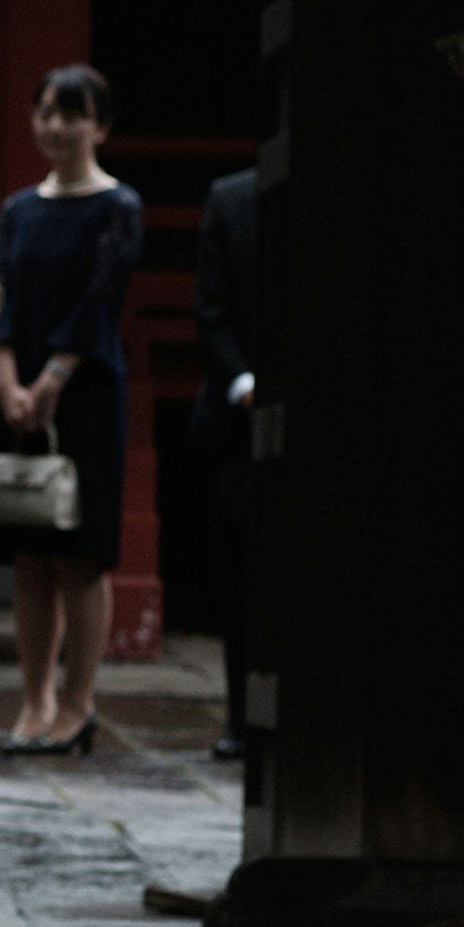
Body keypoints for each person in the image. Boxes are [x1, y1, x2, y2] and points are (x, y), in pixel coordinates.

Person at [0, 59, 143, 759]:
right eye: (45, 111)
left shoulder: (119, 206)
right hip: (17, 389)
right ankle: (33, 699)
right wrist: (5, 379)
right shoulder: (18, 208)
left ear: (99, 126)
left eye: (71, 113)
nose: (55, 126)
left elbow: (101, 297)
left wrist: (51, 378)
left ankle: (78, 702)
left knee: (81, 557)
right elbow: (4, 301)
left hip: (84, 394)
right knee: (27, 554)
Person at [184, 153, 266, 763]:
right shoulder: (230, 198)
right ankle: (241, 718)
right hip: (237, 419)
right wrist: (242, 382)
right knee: (239, 580)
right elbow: (210, 310)